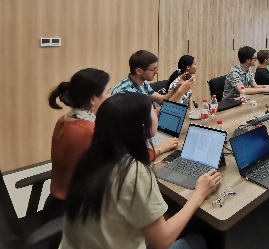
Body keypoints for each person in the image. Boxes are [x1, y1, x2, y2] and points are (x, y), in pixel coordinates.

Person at [60, 93, 221, 249]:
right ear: (143, 127)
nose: (157, 114)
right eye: (153, 112)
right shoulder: (134, 171)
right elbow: (163, 241)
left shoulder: (90, 156)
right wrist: (199, 194)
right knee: (199, 239)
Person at [45, 68, 112, 219]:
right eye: (108, 92)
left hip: (56, 204)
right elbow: (126, 160)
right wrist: (160, 148)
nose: (111, 96)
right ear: (93, 99)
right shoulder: (91, 131)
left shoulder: (64, 119)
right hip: (78, 210)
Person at [112, 50, 194, 106]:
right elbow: (151, 115)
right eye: (153, 69)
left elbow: (162, 99)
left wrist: (178, 86)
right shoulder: (126, 92)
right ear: (139, 71)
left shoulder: (142, 83)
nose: (156, 72)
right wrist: (180, 92)